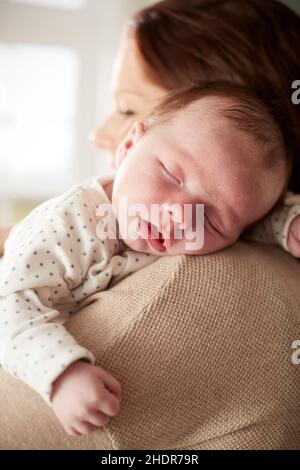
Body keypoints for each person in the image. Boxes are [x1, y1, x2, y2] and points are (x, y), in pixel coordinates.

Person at [0, 0, 300, 443]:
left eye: (127, 107)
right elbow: (13, 305)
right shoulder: (71, 223)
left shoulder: (201, 277)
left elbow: (251, 212)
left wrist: (288, 221)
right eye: (172, 174)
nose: (182, 216)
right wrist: (59, 370)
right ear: (133, 145)